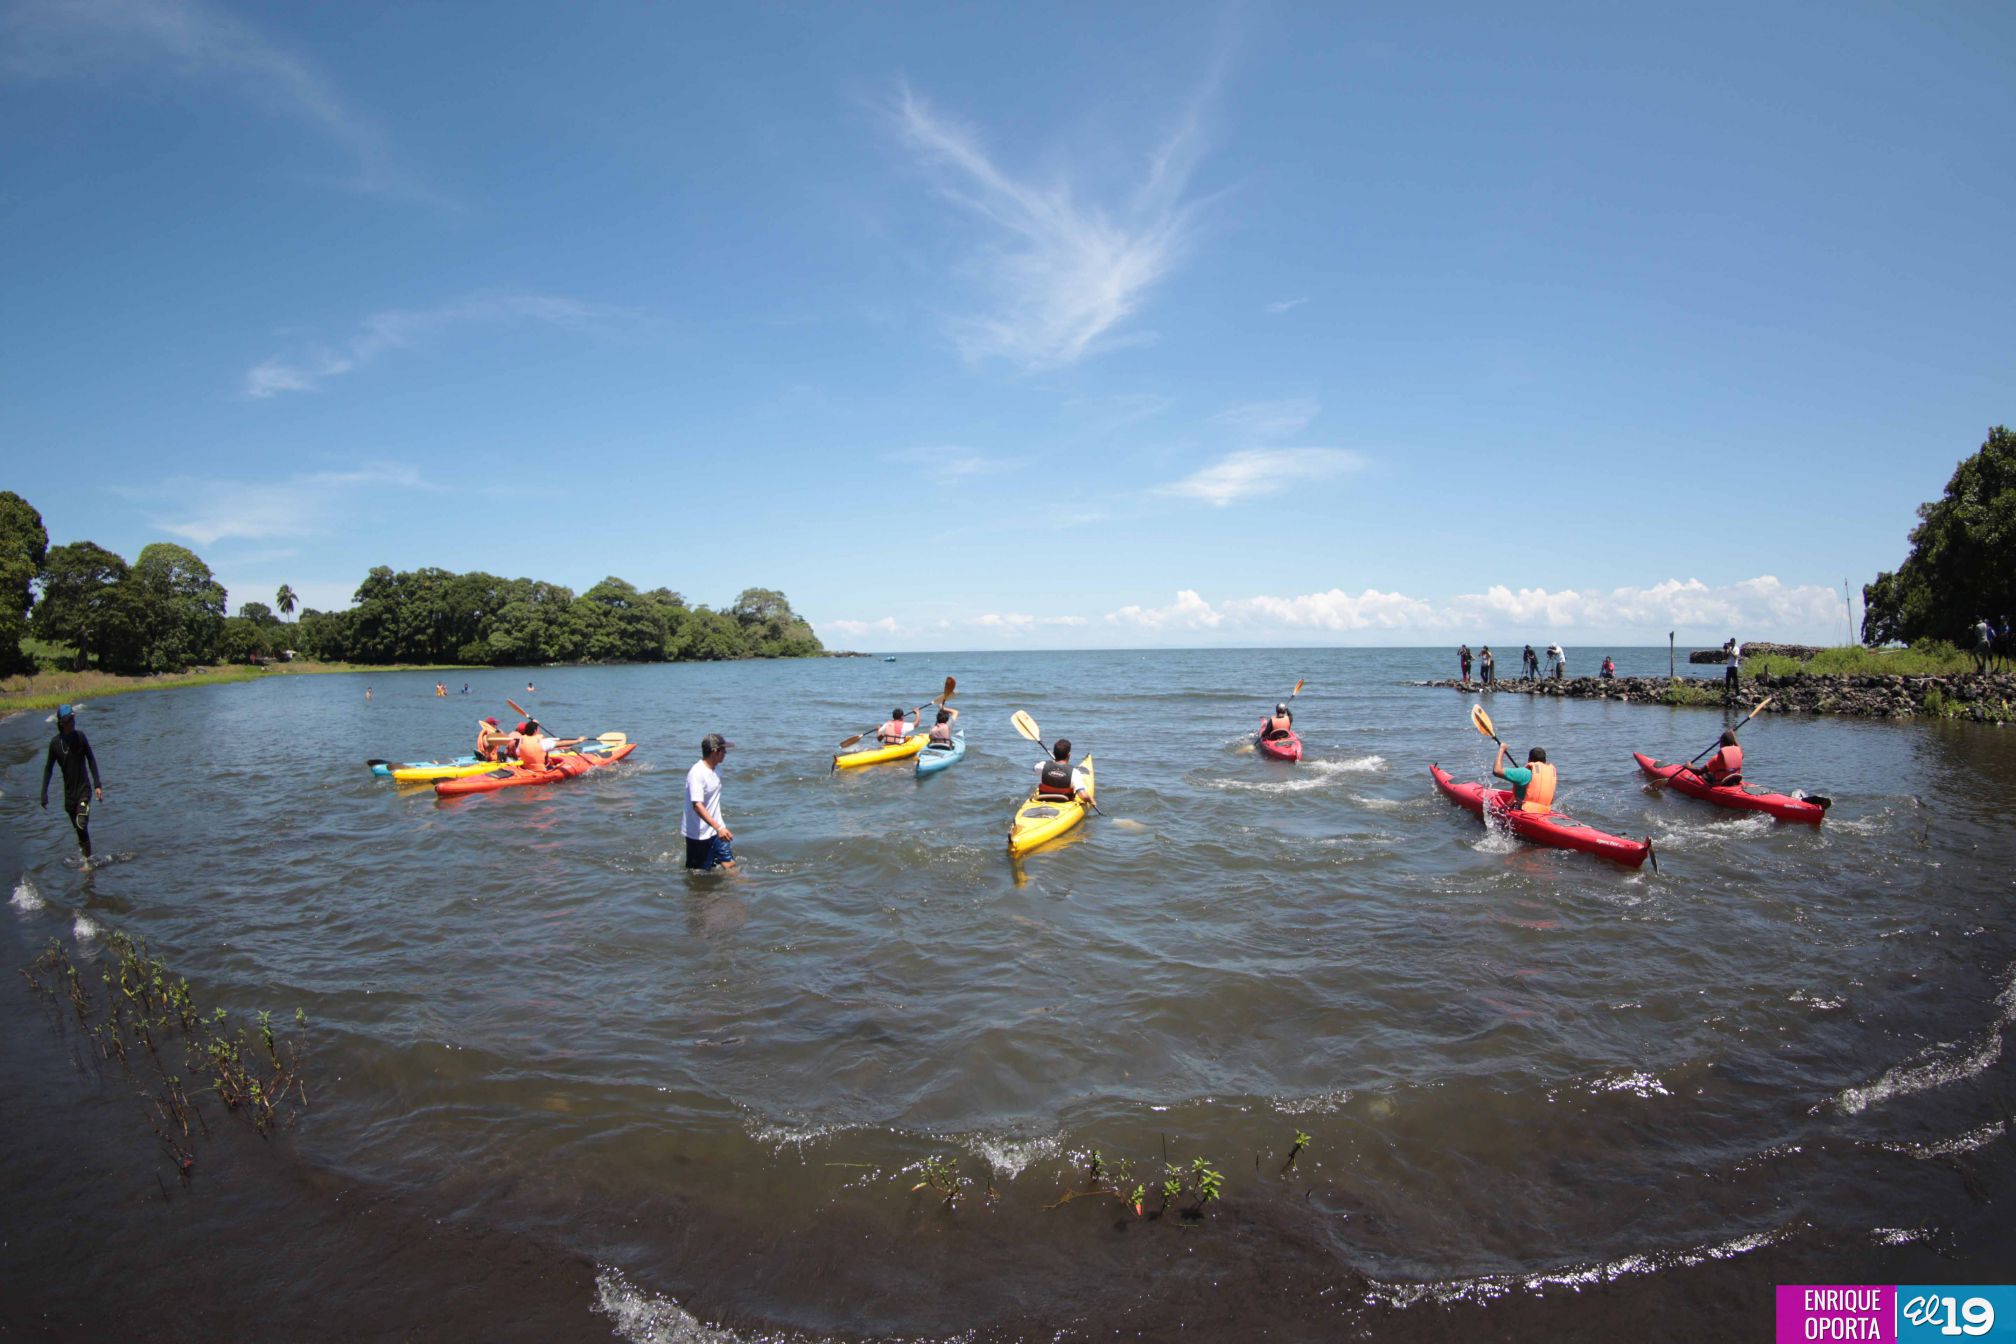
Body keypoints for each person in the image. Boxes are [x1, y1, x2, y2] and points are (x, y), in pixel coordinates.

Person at [41, 706, 105, 867]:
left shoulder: (80, 737)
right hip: (69, 795)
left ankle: (87, 867)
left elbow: (91, 759)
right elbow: (48, 769)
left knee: (81, 822)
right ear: (62, 722)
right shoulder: (55, 744)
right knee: (80, 832)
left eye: (73, 718)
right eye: (69, 719)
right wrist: (44, 793)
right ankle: (87, 861)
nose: (73, 722)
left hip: (84, 790)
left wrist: (97, 784)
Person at [683, 733, 736, 871]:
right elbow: (697, 805)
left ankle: (747, 884)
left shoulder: (717, 769)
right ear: (714, 751)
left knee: (729, 864)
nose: (725, 753)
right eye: (723, 750)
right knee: (697, 873)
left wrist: (719, 827)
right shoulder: (696, 773)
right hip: (698, 833)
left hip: (717, 828)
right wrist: (718, 828)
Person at [1492, 743, 1556, 814]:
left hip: (1525, 811)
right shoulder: (1550, 774)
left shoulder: (1524, 773)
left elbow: (1497, 771)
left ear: (1529, 760)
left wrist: (1502, 749)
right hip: (1544, 811)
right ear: (1545, 761)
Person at [1035, 738, 1092, 803]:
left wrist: (1052, 763)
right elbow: (1084, 796)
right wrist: (1092, 801)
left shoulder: (1041, 766)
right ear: (1069, 755)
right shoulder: (1074, 773)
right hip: (1064, 803)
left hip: (1043, 800)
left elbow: (1035, 769)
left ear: (1054, 753)